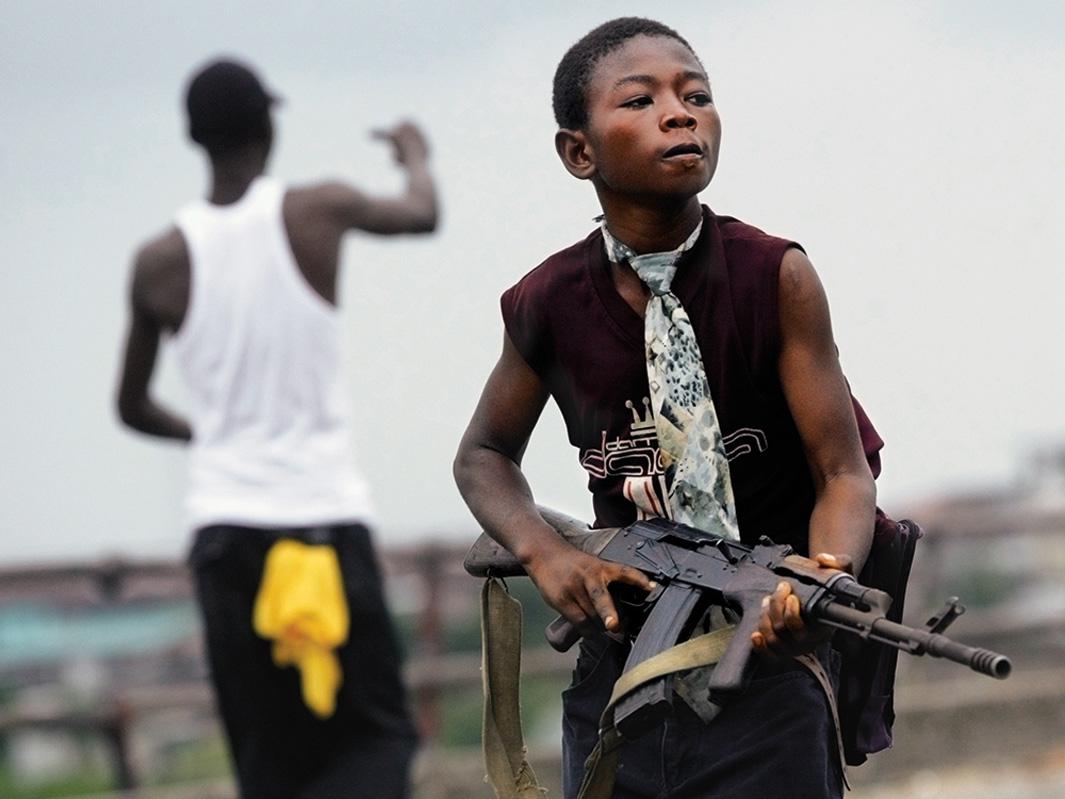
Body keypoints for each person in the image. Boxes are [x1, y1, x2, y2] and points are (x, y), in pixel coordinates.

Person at [453, 17, 883, 799]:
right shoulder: (547, 302)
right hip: (619, 681)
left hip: (764, 675)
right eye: (641, 100)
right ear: (578, 152)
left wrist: (822, 583)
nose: (680, 113)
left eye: (696, 96)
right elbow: (482, 455)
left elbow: (842, 472)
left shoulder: (772, 277)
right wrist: (546, 554)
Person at [115, 57, 438, 799]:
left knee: (269, 761)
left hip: (227, 535)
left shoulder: (158, 261)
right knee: (375, 736)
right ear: (269, 124)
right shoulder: (315, 210)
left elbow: (131, 405)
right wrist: (414, 152)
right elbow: (420, 213)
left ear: (195, 138)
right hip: (322, 522)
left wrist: (212, 434)